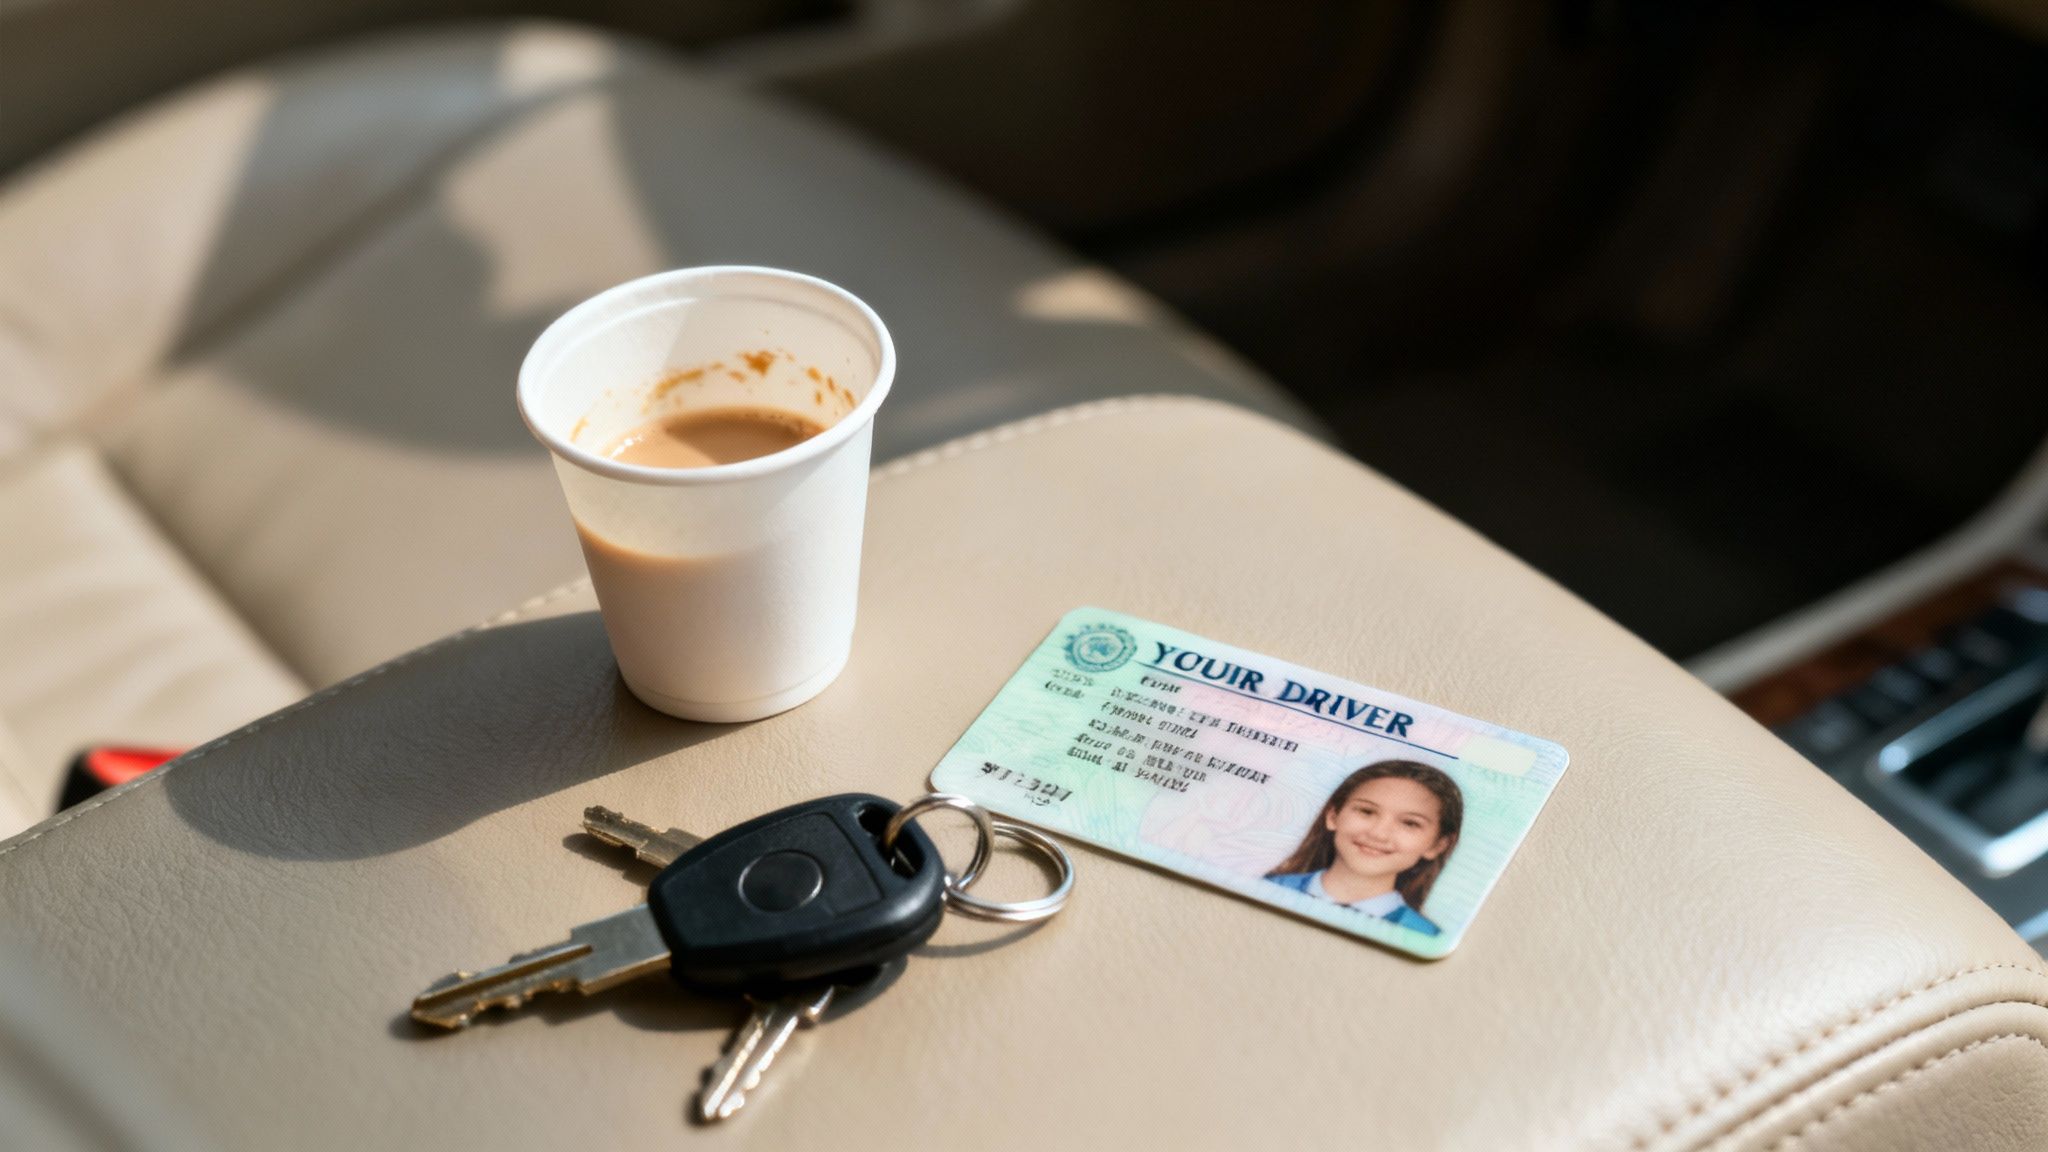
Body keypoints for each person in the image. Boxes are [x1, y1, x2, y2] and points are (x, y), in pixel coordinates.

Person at [1265, 760, 1463, 936]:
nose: (1378, 834)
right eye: (1366, 811)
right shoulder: (1268, 887)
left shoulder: (1425, 936)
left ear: (1438, 844)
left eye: (1410, 823)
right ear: (1333, 816)